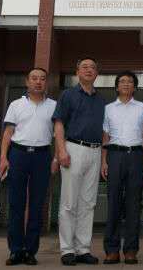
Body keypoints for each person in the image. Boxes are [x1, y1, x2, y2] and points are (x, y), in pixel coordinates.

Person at [0, 67, 58, 266]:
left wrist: (56, 158)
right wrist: (3, 158)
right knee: (16, 203)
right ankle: (15, 250)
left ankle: (30, 251)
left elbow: (58, 134)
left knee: (37, 204)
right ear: (27, 82)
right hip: (18, 154)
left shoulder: (54, 106)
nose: (38, 82)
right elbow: (8, 133)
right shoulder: (16, 105)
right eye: (34, 78)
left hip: (42, 156)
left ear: (46, 83)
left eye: (42, 79)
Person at [53, 57, 106, 266]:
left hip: (95, 151)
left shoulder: (101, 100)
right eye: (84, 67)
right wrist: (61, 151)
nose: (89, 70)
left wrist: (103, 158)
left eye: (93, 67)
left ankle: (83, 249)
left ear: (97, 73)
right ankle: (67, 249)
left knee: (88, 203)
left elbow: (104, 132)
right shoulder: (68, 95)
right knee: (69, 203)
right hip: (73, 149)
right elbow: (59, 124)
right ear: (77, 72)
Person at [101, 71, 143, 265]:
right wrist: (104, 161)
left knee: (133, 204)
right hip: (114, 156)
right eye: (122, 81)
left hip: (136, 156)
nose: (126, 84)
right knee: (113, 202)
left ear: (135, 87)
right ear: (116, 86)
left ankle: (131, 250)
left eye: (130, 81)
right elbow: (105, 136)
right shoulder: (108, 108)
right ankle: (112, 250)